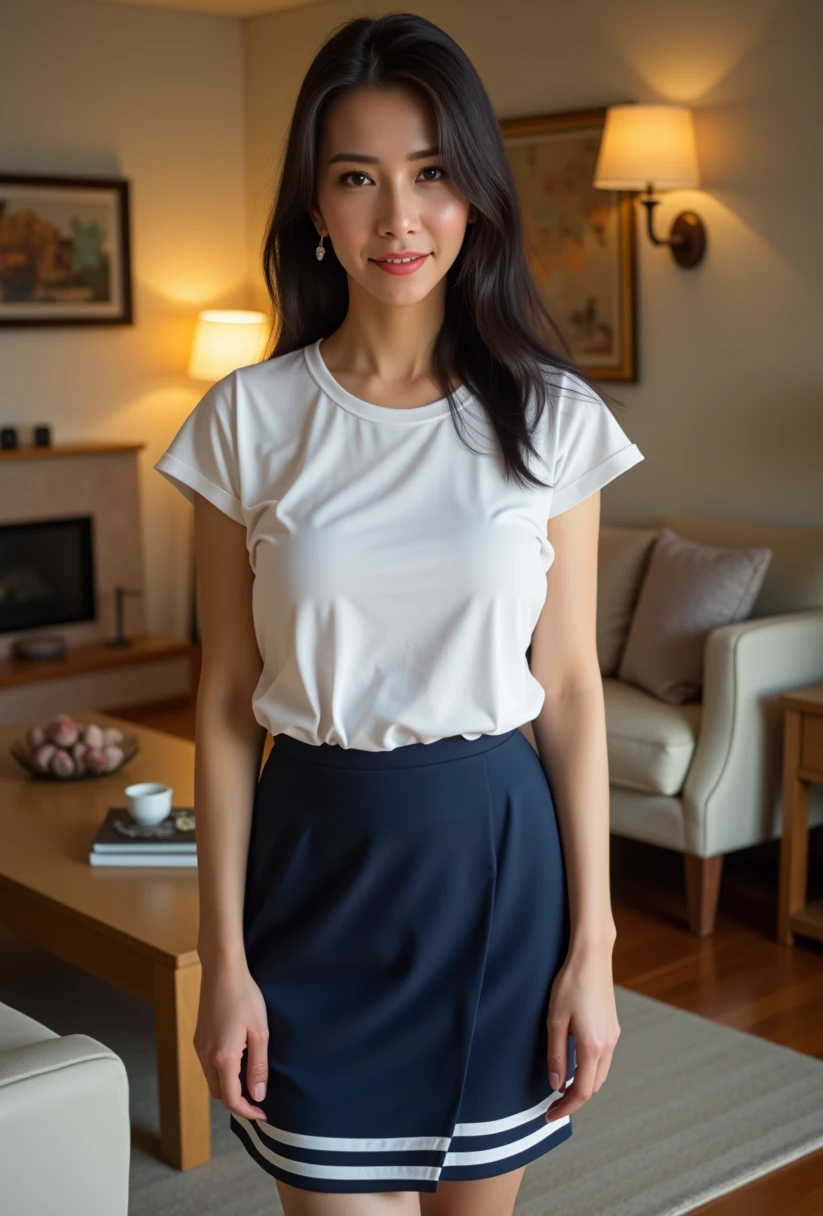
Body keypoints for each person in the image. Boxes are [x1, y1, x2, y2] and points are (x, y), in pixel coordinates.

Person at [154, 12, 644, 1216]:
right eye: (356, 179)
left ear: (475, 193)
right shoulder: (246, 421)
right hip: (313, 867)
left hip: (497, 866)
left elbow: (570, 688)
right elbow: (221, 703)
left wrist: (595, 952)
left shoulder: (553, 419)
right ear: (314, 210)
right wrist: (225, 964)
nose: (398, 218)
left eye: (430, 174)